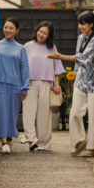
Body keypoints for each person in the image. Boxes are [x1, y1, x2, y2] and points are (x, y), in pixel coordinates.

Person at [48, 11, 94, 157]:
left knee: (93, 116)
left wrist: (61, 56)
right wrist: (75, 79)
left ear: (91, 24)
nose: (81, 26)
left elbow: (83, 57)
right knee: (74, 113)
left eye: (84, 23)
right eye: (80, 23)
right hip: (81, 81)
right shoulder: (80, 38)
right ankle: (80, 140)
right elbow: (79, 63)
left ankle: (91, 148)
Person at [0, 18, 30, 154]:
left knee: (12, 115)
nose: (7, 30)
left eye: (11, 28)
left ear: (17, 31)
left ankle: (8, 138)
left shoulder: (21, 49)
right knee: (1, 113)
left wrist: (25, 87)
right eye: (5, 27)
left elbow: (24, 69)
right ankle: (3, 142)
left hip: (15, 86)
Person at [22, 21, 65, 151]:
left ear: (49, 36)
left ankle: (43, 143)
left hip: (46, 84)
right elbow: (22, 67)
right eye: (40, 31)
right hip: (29, 83)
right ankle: (31, 140)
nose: (41, 35)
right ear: (36, 31)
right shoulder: (27, 46)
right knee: (28, 112)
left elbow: (57, 68)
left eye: (45, 33)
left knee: (44, 115)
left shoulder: (52, 48)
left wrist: (56, 85)